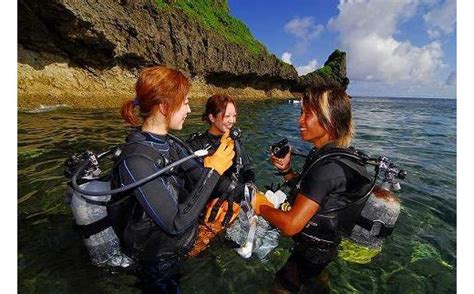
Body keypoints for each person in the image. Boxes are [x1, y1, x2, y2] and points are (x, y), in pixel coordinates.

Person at [111, 66, 235, 293]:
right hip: (155, 262)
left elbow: (200, 177)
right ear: (165, 106)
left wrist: (244, 192)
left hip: (178, 248)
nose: (189, 109)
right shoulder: (136, 159)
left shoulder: (172, 144)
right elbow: (174, 224)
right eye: (185, 102)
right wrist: (214, 170)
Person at [252, 86, 373, 293]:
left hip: (314, 250)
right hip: (325, 246)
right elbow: (312, 193)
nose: (300, 121)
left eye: (307, 114)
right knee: (315, 281)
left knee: (283, 284)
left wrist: (259, 205)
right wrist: (287, 171)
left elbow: (291, 226)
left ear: (330, 120)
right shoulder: (331, 155)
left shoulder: (326, 168)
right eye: (301, 113)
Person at [186, 94, 255, 229]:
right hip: (212, 209)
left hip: (236, 202)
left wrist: (249, 189)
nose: (232, 121)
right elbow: (198, 182)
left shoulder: (235, 140)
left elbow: (248, 167)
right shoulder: (196, 145)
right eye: (227, 116)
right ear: (212, 117)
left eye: (234, 116)